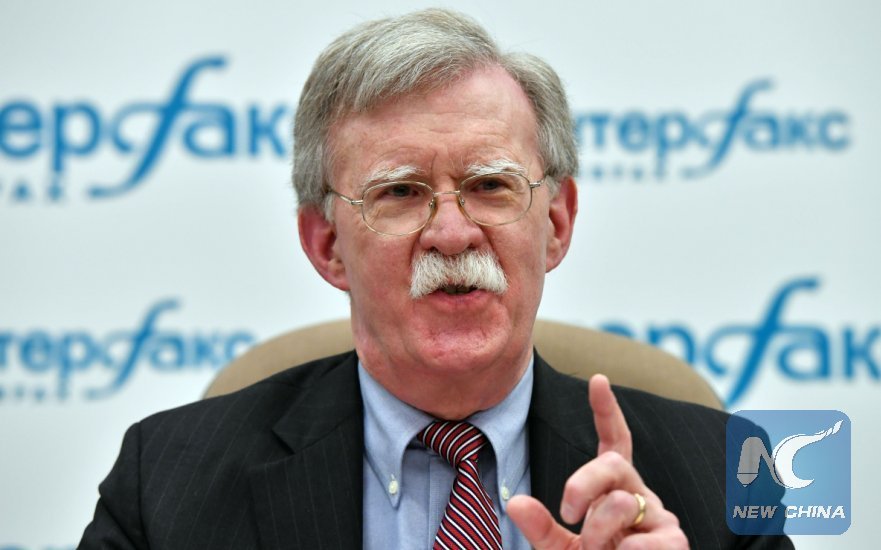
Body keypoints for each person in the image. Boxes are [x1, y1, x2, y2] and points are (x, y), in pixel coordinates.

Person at [80, 9, 792, 549]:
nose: (452, 233)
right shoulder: (165, 480)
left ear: (556, 223)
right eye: (399, 193)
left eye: (490, 185)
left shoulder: (721, 472)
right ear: (326, 244)